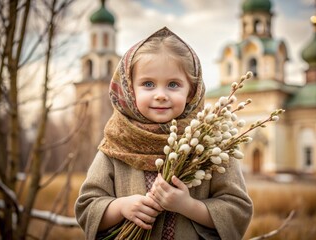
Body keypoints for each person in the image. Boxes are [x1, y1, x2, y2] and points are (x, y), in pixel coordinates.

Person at [75, 27, 253, 240]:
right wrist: (121, 207)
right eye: (148, 84)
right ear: (130, 90)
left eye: (173, 84)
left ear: (191, 91)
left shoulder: (210, 142)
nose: (160, 95)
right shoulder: (116, 142)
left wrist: (188, 206)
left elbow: (237, 210)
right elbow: (87, 207)